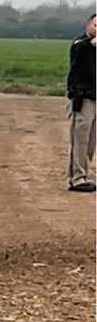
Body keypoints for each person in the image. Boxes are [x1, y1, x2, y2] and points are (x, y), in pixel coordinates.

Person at [65, 13, 96, 192]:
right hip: (83, 98)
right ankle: (77, 178)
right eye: (96, 25)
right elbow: (78, 52)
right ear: (88, 25)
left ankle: (84, 173)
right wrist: (89, 44)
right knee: (80, 139)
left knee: (92, 141)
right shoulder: (80, 44)